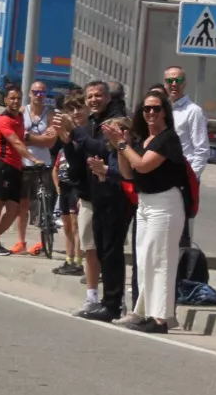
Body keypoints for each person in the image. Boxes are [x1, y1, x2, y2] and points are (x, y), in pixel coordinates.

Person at [105, 89, 187, 333]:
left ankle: (161, 319)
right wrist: (125, 146)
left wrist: (120, 143)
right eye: (147, 108)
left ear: (165, 112)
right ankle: (144, 311)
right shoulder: (143, 141)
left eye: (156, 108)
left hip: (165, 204)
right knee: (144, 260)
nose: (151, 113)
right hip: (145, 204)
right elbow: (129, 173)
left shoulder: (168, 138)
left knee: (161, 260)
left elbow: (143, 165)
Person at [72, 80, 131, 321]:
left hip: (115, 195)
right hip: (96, 196)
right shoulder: (94, 122)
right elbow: (80, 155)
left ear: (108, 98)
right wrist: (68, 139)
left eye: (98, 95)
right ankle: (107, 301)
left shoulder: (114, 121)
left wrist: (76, 132)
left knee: (111, 251)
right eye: (90, 97)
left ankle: (114, 303)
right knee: (102, 251)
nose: (94, 100)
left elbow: (104, 149)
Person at [0, 86, 39, 256]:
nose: (15, 101)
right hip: (1, 165)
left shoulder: (20, 116)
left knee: (13, 210)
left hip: (15, 168)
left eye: (18, 98)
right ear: (5, 100)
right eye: (12, 98)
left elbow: (24, 136)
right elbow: (16, 142)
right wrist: (33, 159)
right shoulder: (3, 120)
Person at [12, 81, 59, 256]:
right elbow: (17, 138)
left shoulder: (51, 115)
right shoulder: (22, 112)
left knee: (44, 202)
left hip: (44, 162)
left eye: (42, 92)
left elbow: (51, 141)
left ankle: (42, 241)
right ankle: (21, 241)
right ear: (30, 94)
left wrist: (29, 137)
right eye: (36, 92)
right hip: (25, 163)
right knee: (23, 203)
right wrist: (38, 138)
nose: (39, 96)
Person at [165, 65, 208, 248]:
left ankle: (182, 274)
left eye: (178, 80)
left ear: (185, 83)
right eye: (170, 80)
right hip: (162, 179)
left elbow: (201, 150)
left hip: (183, 180)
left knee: (182, 233)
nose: (174, 84)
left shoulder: (193, 111)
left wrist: (191, 177)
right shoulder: (162, 109)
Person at [51, 90, 88, 276]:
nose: (74, 112)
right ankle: (69, 258)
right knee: (66, 225)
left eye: (78, 108)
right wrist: (58, 186)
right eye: (71, 109)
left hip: (78, 187)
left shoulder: (84, 133)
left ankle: (79, 260)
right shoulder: (66, 135)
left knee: (76, 225)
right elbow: (56, 167)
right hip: (65, 185)